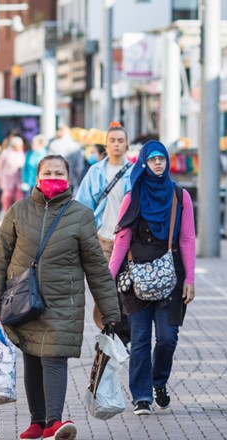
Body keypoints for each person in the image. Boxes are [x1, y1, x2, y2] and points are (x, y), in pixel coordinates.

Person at [0, 155, 120, 440]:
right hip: (24, 301)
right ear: (36, 178)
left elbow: (96, 267)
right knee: (32, 358)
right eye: (47, 173)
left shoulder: (80, 215)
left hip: (63, 304)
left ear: (68, 179)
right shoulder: (18, 212)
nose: (52, 177)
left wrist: (110, 310)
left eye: (58, 173)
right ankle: (38, 422)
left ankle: (53, 423)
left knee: (53, 359)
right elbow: (1, 261)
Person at [108, 140, 196, 416]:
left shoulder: (180, 197)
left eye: (162, 158)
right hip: (136, 277)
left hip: (172, 275)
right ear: (144, 162)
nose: (158, 163)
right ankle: (142, 397)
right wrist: (107, 280)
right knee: (141, 338)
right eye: (153, 159)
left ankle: (158, 382)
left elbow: (187, 239)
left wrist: (190, 279)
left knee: (168, 338)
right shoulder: (131, 197)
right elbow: (121, 241)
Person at [76, 122, 134, 339]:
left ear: (127, 144)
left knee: (124, 287)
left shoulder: (135, 172)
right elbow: (82, 204)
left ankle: (121, 334)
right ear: (106, 145)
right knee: (103, 287)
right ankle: (107, 328)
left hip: (128, 242)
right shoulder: (95, 171)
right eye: (112, 140)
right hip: (102, 240)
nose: (116, 144)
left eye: (120, 140)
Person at [0, 136, 26, 212]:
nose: (21, 146)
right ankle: (7, 214)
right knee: (7, 197)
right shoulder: (5, 153)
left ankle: (18, 215)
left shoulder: (22, 153)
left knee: (19, 198)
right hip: (7, 180)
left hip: (18, 180)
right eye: (19, 144)